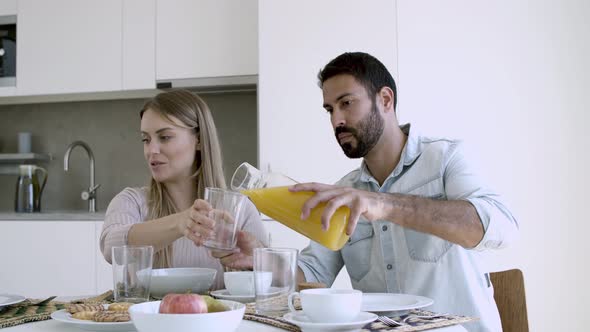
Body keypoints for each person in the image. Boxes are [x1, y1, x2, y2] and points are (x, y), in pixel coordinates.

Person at [288, 52, 518, 332]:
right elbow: (313, 274)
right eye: (329, 109)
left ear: (385, 99)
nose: (337, 120)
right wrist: (259, 262)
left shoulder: (446, 158)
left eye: (346, 103)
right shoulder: (345, 192)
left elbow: (502, 228)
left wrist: (385, 205)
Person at [100, 89, 268, 290]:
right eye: (146, 139)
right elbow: (113, 248)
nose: (151, 150)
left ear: (198, 140)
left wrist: (258, 262)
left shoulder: (239, 210)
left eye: (165, 137)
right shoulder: (131, 201)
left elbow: (270, 286)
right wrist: (180, 223)